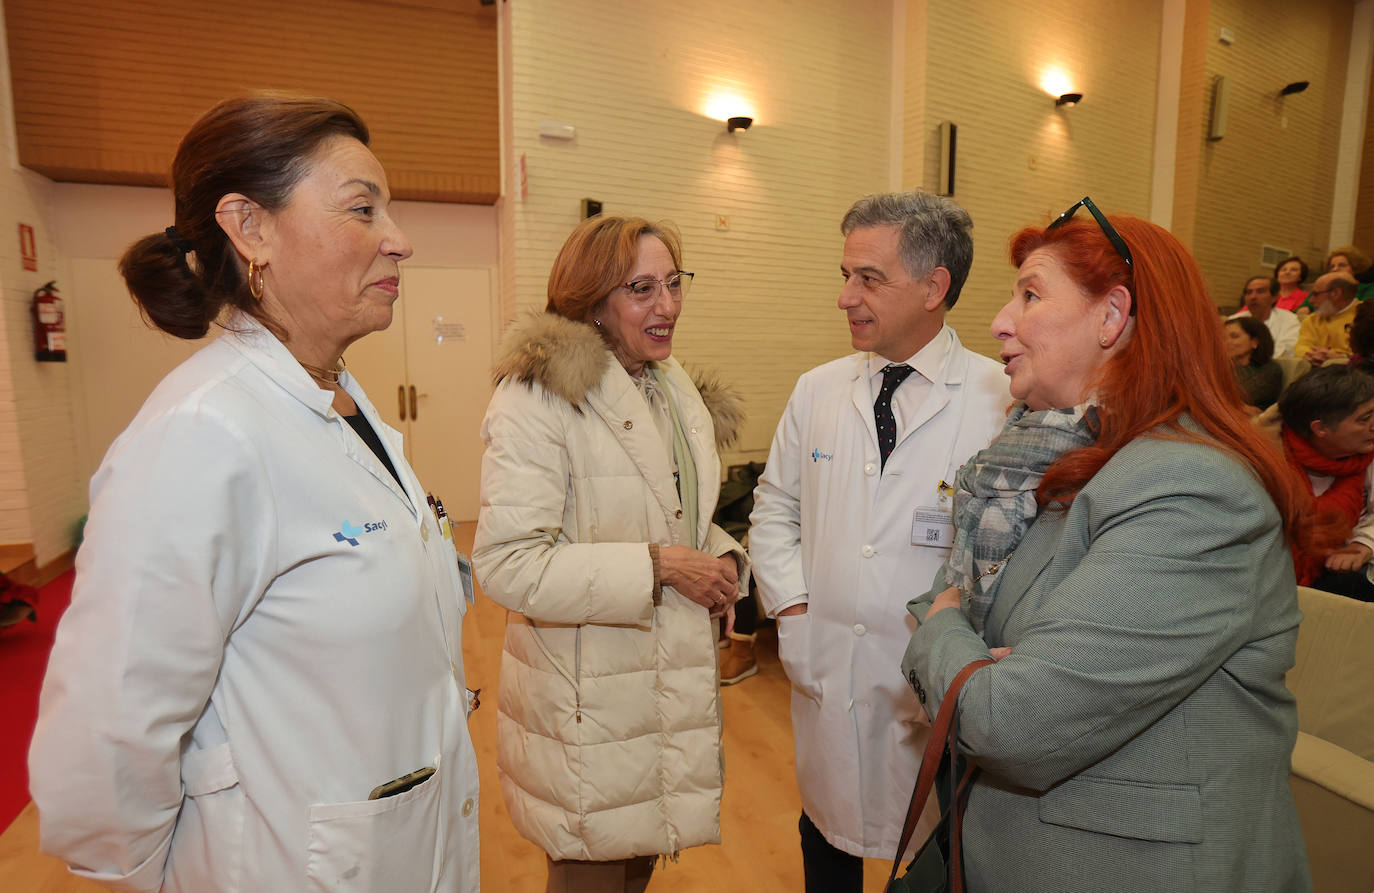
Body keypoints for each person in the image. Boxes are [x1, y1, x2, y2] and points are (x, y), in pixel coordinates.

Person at [28, 95, 480, 892]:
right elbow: (105, 736)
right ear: (249, 226)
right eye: (362, 209)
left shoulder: (343, 403)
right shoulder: (205, 433)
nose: (399, 240)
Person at [901, 198, 1312, 892]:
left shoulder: (1192, 488)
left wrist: (946, 629)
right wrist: (974, 650)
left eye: (1030, 294)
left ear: (1112, 316)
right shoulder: (1050, 459)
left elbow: (1011, 719)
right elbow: (962, 619)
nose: (1001, 321)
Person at [473, 215, 748, 893]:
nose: (668, 306)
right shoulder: (538, 398)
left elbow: (677, 513)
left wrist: (723, 559)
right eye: (642, 289)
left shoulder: (669, 383)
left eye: (674, 283)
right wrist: (657, 565)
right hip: (588, 704)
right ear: (593, 303)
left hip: (656, 691)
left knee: (634, 872)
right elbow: (508, 563)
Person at [749, 191, 1010, 892]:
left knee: (932, 857)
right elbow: (774, 509)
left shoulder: (1000, 398)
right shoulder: (817, 391)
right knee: (826, 840)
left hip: (933, 691)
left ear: (934, 287)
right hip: (828, 668)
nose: (846, 297)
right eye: (845, 274)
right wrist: (794, 614)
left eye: (869, 278)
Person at [1275, 364, 1374, 602]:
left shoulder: (1367, 453)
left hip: (1342, 568)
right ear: (1320, 428)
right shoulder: (1270, 457)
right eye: (1365, 419)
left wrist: (1364, 545)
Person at [1295, 271, 1360, 364]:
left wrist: (1342, 357)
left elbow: (1367, 356)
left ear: (1335, 293)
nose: (1311, 300)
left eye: (1316, 294)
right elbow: (1301, 346)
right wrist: (1311, 355)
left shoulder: (1365, 317)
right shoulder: (1312, 319)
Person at [1229, 274, 1299, 358]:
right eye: (1249, 292)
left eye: (1260, 291)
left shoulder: (1289, 319)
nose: (1253, 297)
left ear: (1275, 297)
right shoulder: (1234, 319)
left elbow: (1287, 349)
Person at [1225, 316, 1283, 410]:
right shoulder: (1221, 367)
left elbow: (1242, 399)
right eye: (1223, 337)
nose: (1226, 342)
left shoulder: (1269, 370)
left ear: (1254, 342)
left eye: (1234, 336)